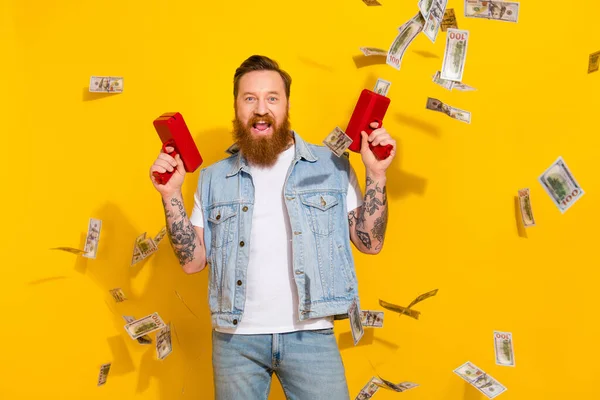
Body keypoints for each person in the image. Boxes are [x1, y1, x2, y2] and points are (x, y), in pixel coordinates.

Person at [149, 55, 396, 400]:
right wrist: (170, 194)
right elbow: (192, 262)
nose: (260, 108)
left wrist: (377, 174)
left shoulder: (332, 166)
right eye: (249, 98)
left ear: (287, 105)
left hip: (311, 336)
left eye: (272, 98)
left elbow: (370, 243)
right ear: (236, 107)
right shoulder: (212, 178)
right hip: (236, 342)